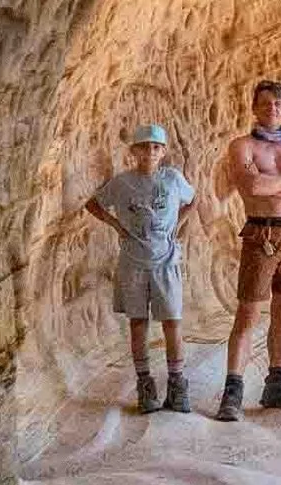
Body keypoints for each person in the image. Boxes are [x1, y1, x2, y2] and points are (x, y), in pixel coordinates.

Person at [216, 78, 281, 421]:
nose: (272, 109)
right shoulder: (242, 146)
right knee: (248, 313)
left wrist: (278, 188)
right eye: (265, 103)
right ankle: (232, 391)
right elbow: (253, 185)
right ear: (254, 107)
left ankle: (276, 382)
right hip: (261, 234)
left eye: (278, 103)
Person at [83, 123, 196, 415]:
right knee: (138, 323)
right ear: (134, 151)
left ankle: (176, 384)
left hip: (165, 261)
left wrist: (176, 226)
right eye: (144, 147)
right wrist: (117, 226)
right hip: (133, 263)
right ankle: (145, 384)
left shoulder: (172, 179)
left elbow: (193, 200)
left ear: (163, 151)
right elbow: (93, 204)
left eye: (156, 147)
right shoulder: (122, 183)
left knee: (172, 321)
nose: (150, 152)